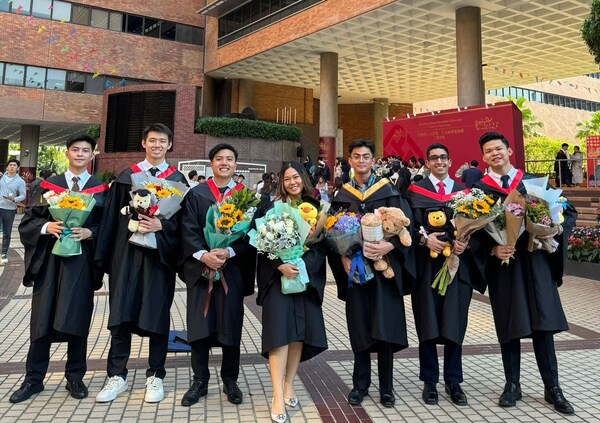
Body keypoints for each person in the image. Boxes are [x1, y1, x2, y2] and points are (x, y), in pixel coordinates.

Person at [473, 132, 576, 415]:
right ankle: (512, 385)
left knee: (544, 324)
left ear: (509, 151)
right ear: (483, 157)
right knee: (508, 324)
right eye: (488, 151)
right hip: (504, 266)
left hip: (535, 262)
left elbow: (566, 211)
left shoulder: (532, 182)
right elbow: (473, 234)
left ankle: (552, 387)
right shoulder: (480, 191)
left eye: (498, 148)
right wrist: (493, 249)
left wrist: (552, 230)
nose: (494, 154)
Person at [9, 135, 109, 404]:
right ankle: (33, 379)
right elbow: (28, 222)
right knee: (42, 319)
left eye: (85, 150)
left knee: (78, 316)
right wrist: (46, 227)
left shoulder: (101, 189)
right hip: (49, 262)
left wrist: (90, 232)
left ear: (92, 155)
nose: (80, 154)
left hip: (81, 261)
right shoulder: (47, 185)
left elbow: (108, 227)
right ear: (67, 153)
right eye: (75, 150)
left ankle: (75, 376)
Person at [94, 123, 187, 404]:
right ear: (144, 143)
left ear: (170, 145)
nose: (157, 145)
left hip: (159, 259)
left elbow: (184, 225)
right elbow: (111, 220)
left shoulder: (177, 180)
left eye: (162, 141)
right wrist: (105, 258)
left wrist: (162, 225)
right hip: (127, 256)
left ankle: (155, 375)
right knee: (121, 313)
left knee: (157, 314)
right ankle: (116, 375)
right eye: (152, 140)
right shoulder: (127, 177)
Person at [327, 139, 416, 408]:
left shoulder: (389, 191)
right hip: (357, 271)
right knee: (360, 326)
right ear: (350, 161)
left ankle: (386, 388)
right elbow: (331, 231)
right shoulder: (342, 195)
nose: (361, 160)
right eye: (356, 156)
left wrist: (391, 245)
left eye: (366, 156)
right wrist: (342, 257)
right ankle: (360, 385)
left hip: (385, 271)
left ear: (372, 160)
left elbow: (407, 226)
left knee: (384, 326)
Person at [406, 143, 485, 407]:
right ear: (427, 163)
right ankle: (430, 381)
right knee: (427, 322)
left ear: (450, 162)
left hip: (457, 268)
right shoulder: (415, 192)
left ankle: (454, 381)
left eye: (443, 157)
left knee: (455, 322)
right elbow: (407, 227)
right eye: (434, 158)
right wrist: (423, 240)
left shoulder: (465, 193)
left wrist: (466, 243)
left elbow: (479, 231)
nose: (439, 161)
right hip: (426, 268)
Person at [179, 144, 256, 407]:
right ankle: (199, 380)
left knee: (231, 325)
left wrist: (229, 251)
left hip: (231, 271)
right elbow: (187, 229)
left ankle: (230, 380)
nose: (224, 163)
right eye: (219, 159)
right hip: (201, 271)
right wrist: (204, 255)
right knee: (199, 327)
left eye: (230, 159)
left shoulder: (245, 196)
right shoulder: (196, 194)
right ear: (211, 164)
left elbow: (251, 234)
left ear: (236, 164)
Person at [257, 161, 327, 423]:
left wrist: (302, 264)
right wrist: (280, 265)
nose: (292, 182)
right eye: (287, 179)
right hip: (278, 280)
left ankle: (289, 384)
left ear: (303, 178)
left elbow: (320, 246)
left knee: (298, 334)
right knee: (279, 336)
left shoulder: (316, 208)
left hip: (304, 278)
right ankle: (277, 395)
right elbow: (260, 244)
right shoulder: (270, 207)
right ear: (281, 183)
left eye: (296, 177)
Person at [0, 158, 26, 265]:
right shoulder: (1, 177)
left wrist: (14, 199)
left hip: (9, 209)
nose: (12, 167)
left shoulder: (20, 181)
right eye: (10, 165)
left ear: (17, 168)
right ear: (7, 167)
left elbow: (23, 195)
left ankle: (4, 254)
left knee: (7, 233)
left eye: (14, 165)